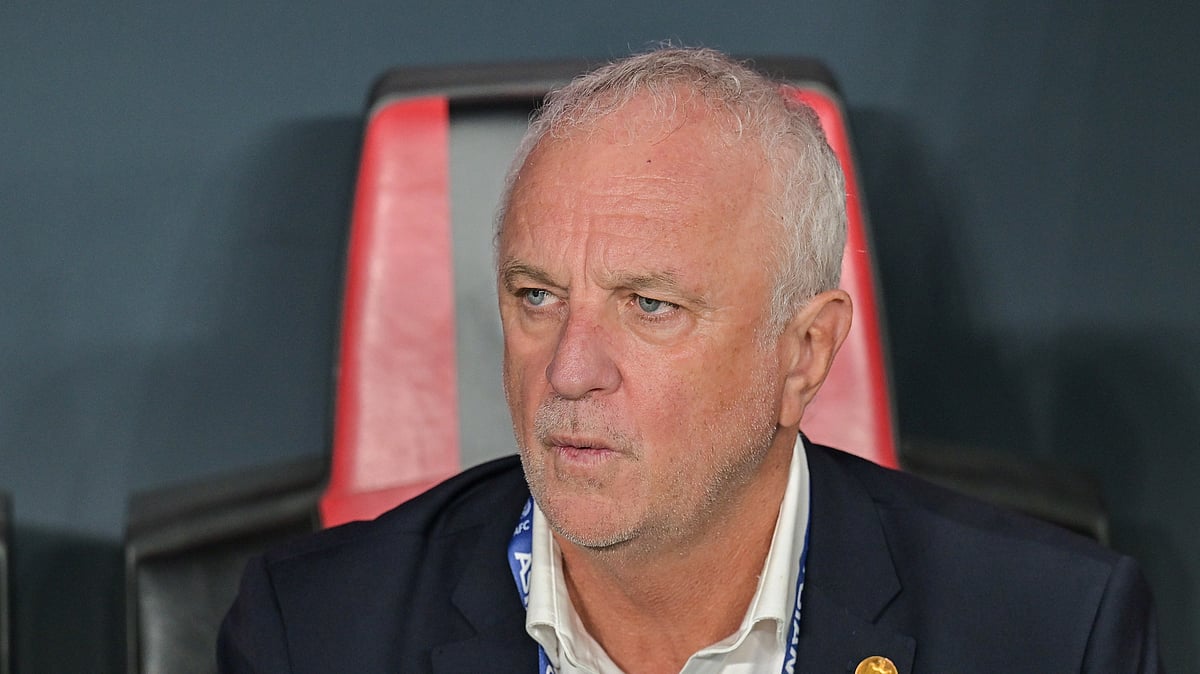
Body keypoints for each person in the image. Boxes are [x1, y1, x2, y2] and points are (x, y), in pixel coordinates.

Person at [218, 47, 1162, 673]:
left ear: (804, 354)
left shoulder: (1052, 635)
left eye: (650, 306)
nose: (571, 369)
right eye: (536, 297)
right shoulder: (315, 634)